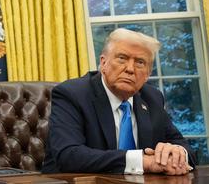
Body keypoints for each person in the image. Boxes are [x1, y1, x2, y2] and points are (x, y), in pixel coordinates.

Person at [42, 28, 196, 175]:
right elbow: (69, 156)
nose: (130, 69)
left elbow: (186, 148)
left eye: (140, 62)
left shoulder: (152, 98)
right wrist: (143, 162)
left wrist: (176, 153)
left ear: (148, 74)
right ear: (103, 63)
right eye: (122, 58)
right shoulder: (72, 94)